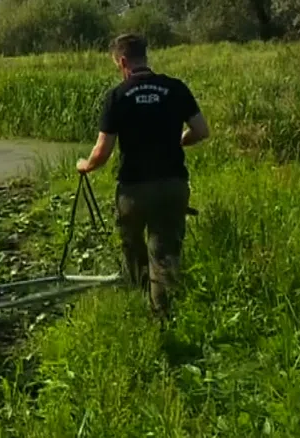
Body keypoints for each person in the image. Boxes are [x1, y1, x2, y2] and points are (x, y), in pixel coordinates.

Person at [75, 34, 210, 320]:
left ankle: (141, 302)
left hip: (134, 190)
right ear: (145, 57)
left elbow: (102, 151)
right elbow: (201, 130)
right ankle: (164, 316)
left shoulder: (118, 95)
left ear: (123, 61)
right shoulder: (175, 88)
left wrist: (85, 166)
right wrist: (180, 141)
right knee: (164, 253)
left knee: (133, 247)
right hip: (172, 184)